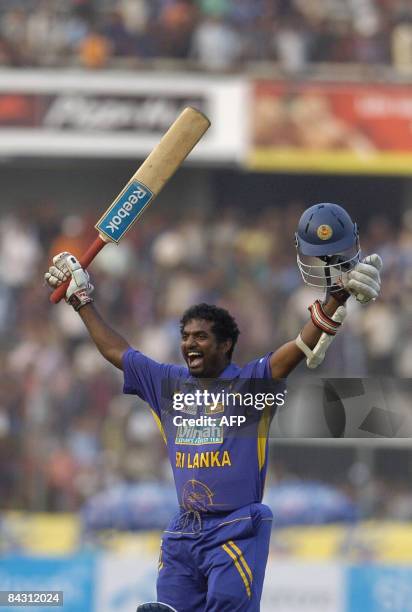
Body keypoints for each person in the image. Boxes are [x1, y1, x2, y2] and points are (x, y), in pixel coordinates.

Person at [45, 203, 382, 612]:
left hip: (236, 528)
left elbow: (297, 349)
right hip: (184, 531)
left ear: (225, 345)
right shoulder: (167, 385)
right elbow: (119, 351)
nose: (190, 344)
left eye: (202, 337)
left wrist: (335, 298)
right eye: (186, 336)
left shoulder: (250, 386)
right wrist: (82, 300)